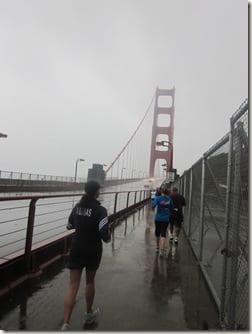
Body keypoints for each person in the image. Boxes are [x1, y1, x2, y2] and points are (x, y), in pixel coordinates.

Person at [61, 181, 111, 331]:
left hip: (76, 247)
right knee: (90, 282)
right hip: (93, 249)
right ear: (97, 192)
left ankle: (66, 324)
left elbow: (69, 226)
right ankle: (88, 313)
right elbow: (104, 234)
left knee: (72, 285)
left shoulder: (77, 207)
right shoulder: (100, 210)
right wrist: (107, 238)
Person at [152, 187, 174, 257]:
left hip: (158, 218)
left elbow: (153, 205)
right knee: (163, 233)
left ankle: (157, 247)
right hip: (166, 219)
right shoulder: (169, 200)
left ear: (161, 192)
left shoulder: (157, 198)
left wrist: (153, 208)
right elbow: (172, 209)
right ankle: (162, 250)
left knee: (157, 233)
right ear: (168, 193)